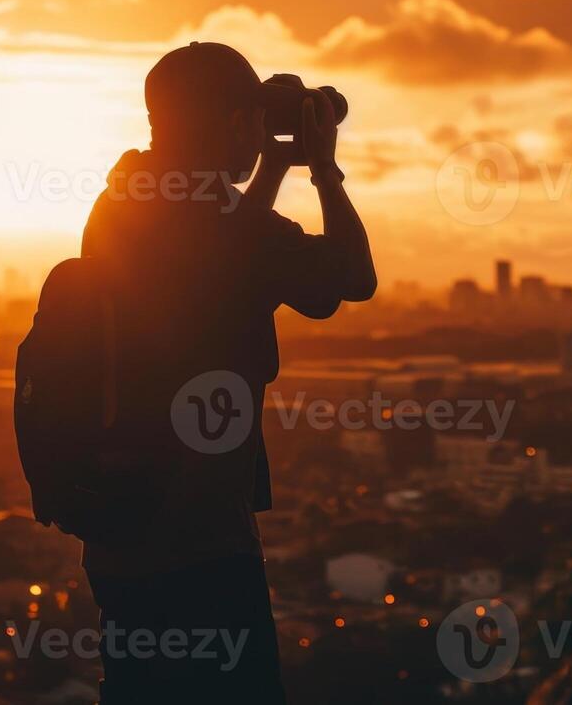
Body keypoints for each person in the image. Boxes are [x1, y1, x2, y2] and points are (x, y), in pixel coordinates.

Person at [77, 41, 375, 703]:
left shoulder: (121, 206)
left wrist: (268, 160)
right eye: (251, 120)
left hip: (119, 534)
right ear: (236, 123)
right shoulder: (229, 229)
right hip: (204, 535)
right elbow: (351, 279)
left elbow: (229, 252)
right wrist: (323, 168)